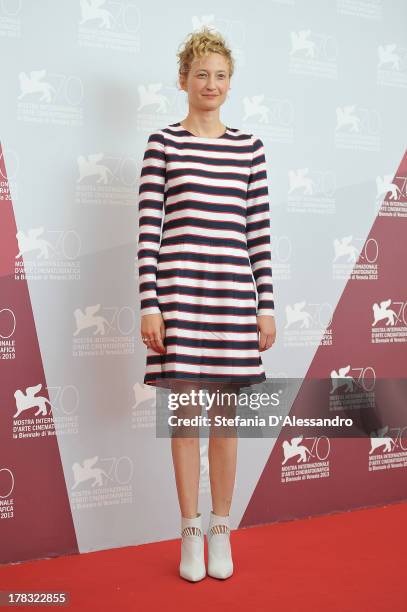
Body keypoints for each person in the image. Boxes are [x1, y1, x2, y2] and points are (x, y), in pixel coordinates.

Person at [137, 26, 276, 582]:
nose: (211, 84)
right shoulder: (162, 144)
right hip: (178, 294)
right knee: (186, 417)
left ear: (230, 82)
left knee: (226, 417)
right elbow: (149, 232)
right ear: (183, 80)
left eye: (220, 76)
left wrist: (265, 305)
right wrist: (151, 304)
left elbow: (258, 233)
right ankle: (189, 532)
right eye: (201, 74)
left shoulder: (250, 148)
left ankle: (223, 529)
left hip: (232, 298)